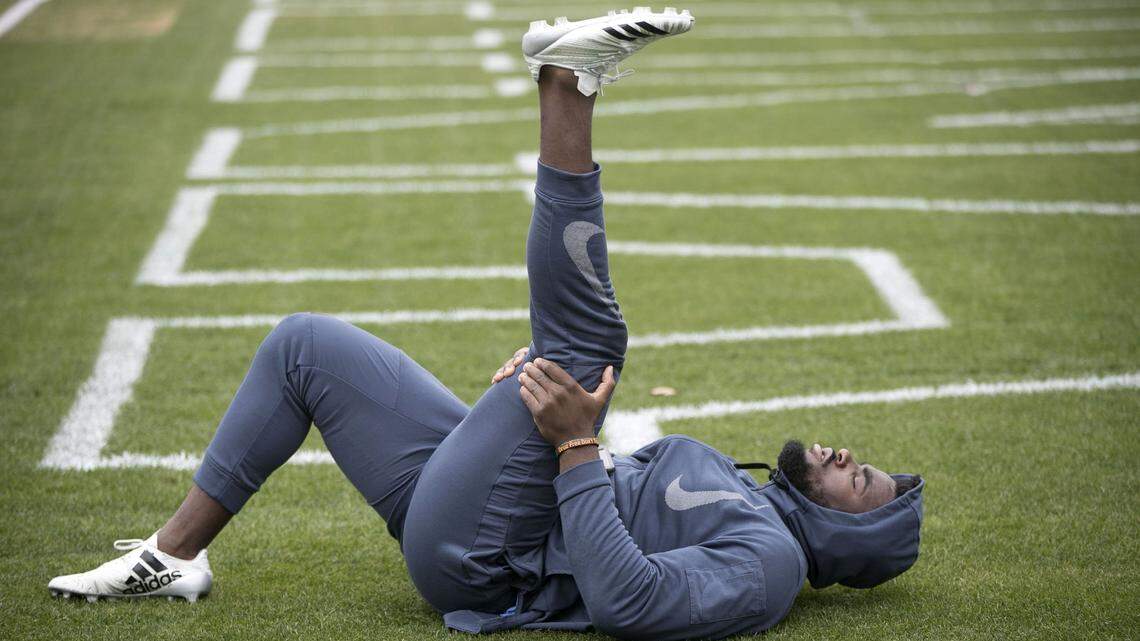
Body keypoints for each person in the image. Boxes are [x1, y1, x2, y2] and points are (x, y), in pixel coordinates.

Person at [48, 9, 925, 639]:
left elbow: (628, 600)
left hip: (483, 559)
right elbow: (615, 502)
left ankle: (568, 85)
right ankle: (172, 557)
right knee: (303, 347)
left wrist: (571, 442)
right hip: (496, 512)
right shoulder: (747, 492)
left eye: (862, 479)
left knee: (587, 352)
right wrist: (529, 422)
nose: (848, 456)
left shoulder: (769, 566)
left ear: (851, 534)